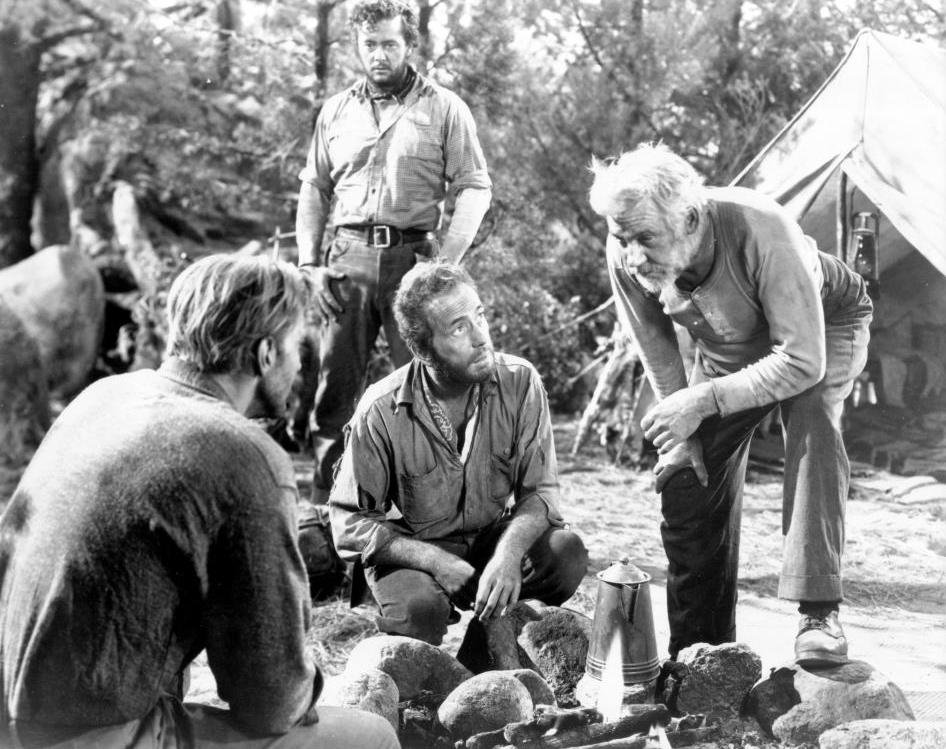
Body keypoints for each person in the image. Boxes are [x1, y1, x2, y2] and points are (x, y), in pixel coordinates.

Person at [0, 255, 399, 749]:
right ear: (266, 353)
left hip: (16, 711)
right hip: (84, 736)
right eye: (298, 346)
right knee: (370, 737)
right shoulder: (244, 453)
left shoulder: (102, 397)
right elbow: (272, 703)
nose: (302, 365)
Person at [588, 144, 872, 667]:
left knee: (811, 420)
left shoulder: (764, 229)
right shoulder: (627, 244)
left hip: (819, 330)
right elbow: (655, 345)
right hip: (729, 350)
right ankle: (706, 650)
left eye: (645, 238)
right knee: (686, 470)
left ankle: (818, 612)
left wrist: (706, 397)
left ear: (691, 218)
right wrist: (684, 419)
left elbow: (802, 361)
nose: (631, 255)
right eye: (621, 238)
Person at [329, 261, 588, 645]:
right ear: (423, 349)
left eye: (479, 316)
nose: (482, 337)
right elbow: (349, 524)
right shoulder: (380, 408)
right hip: (415, 551)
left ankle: (486, 649)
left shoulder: (520, 382)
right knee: (419, 612)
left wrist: (508, 556)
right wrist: (436, 561)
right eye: (459, 327)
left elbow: (540, 493)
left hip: (490, 541)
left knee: (565, 553)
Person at [296, 0, 492, 504]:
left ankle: (433, 512)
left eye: (388, 44)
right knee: (334, 396)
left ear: (408, 45)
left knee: (430, 387)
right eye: (369, 45)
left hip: (414, 265)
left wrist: (445, 260)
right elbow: (314, 188)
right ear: (357, 47)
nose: (378, 54)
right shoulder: (336, 110)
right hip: (347, 263)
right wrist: (309, 266)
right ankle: (328, 517)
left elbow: (474, 186)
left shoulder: (445, 108)